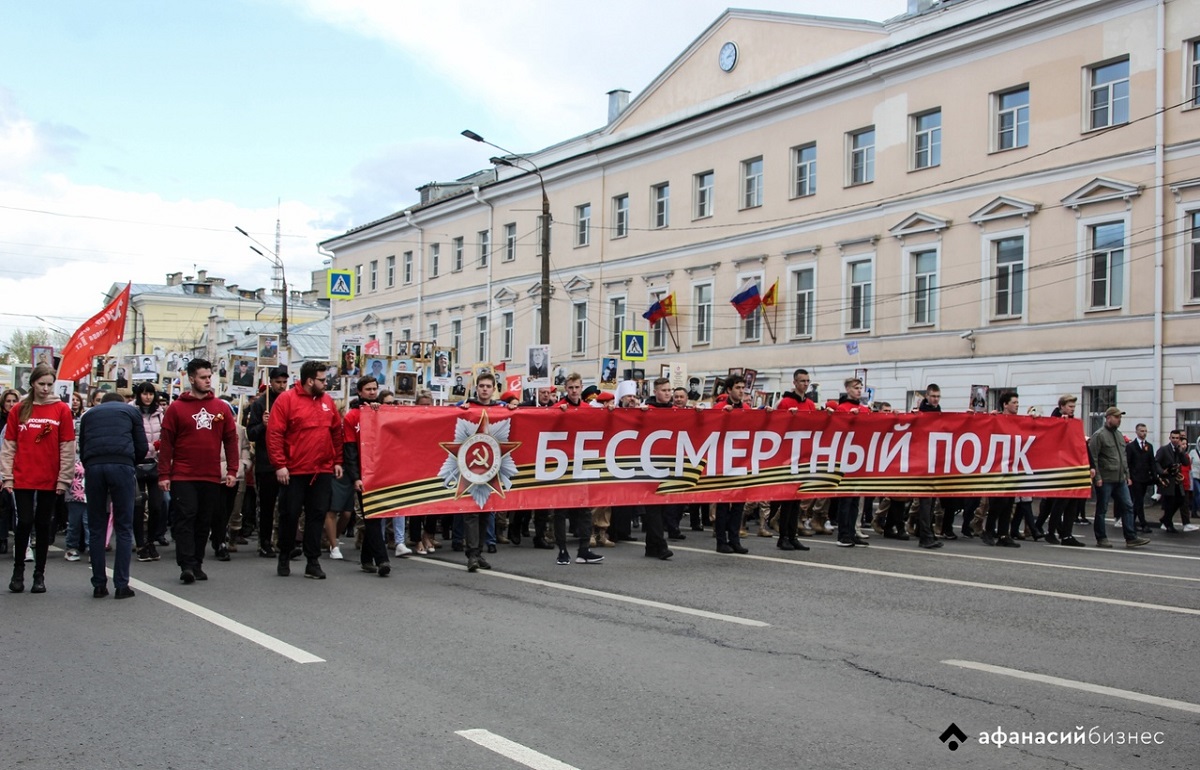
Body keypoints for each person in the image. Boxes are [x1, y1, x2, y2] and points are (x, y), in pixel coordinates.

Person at [158, 358, 239, 584]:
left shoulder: (221, 408)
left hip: (210, 474)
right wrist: (164, 474)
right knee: (186, 517)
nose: (208, 381)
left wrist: (232, 470)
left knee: (204, 520)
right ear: (192, 379)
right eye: (203, 377)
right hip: (183, 474)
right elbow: (166, 443)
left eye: (209, 377)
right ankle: (186, 564)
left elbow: (231, 440)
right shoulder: (176, 408)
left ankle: (197, 563)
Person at [267, 360, 344, 580]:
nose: (326, 383)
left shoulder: (327, 401)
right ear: (310, 380)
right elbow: (274, 434)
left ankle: (313, 561)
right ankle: (284, 555)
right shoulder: (286, 400)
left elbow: (335, 433)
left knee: (317, 515)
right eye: (322, 379)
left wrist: (337, 461)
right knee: (289, 515)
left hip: (322, 470)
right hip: (294, 470)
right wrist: (280, 465)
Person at [1, 365, 76, 594]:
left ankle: (39, 574)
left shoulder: (61, 409)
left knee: (43, 525)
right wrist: (7, 476)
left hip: (49, 478)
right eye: (41, 384)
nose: (45, 388)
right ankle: (18, 572)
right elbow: (9, 446)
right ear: (32, 383)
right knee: (24, 522)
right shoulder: (19, 409)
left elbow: (67, 447)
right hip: (22, 476)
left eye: (49, 384)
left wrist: (64, 479)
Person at [79, 392, 148, 599]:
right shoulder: (131, 411)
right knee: (124, 526)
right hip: (121, 465)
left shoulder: (89, 414)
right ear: (121, 402)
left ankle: (99, 584)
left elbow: (82, 445)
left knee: (97, 527)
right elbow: (142, 446)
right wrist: (130, 462)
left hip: (94, 466)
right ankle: (121, 585)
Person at [342, 375, 392, 576]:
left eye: (374, 389)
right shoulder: (351, 416)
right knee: (371, 516)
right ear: (360, 392)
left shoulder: (384, 412)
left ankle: (366, 558)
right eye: (368, 389)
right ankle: (382, 559)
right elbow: (350, 450)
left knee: (377, 515)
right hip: (364, 473)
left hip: (382, 471)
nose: (372, 392)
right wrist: (355, 477)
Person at [1088, 406, 1150, 548]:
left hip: (1120, 478)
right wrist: (1097, 477)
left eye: (1120, 417)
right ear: (1108, 418)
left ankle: (1131, 537)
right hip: (1106, 478)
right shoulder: (1099, 435)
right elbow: (1093, 458)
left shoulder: (1119, 435)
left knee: (1128, 506)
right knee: (1102, 509)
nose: (1119, 420)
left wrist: (1127, 475)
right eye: (1117, 417)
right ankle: (1101, 537)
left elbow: (1123, 457)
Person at [244, 366, 289, 558]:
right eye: (278, 382)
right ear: (271, 382)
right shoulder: (260, 404)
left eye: (284, 382)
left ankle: (284, 542)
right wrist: (263, 425)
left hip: (288, 461)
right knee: (267, 506)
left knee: (287, 505)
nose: (282, 386)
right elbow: (251, 433)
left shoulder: (290, 401)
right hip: (266, 462)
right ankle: (265, 542)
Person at [131, 382, 166, 562]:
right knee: (137, 506)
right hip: (136, 463)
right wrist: (150, 447)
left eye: (151, 394)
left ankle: (151, 541)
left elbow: (166, 436)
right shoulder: (131, 411)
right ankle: (140, 544)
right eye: (144, 394)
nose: (148, 397)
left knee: (156, 506)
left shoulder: (160, 414)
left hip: (155, 463)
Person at [1154, 429, 1188, 532]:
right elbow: (1156, 462)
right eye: (1173, 438)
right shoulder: (1164, 449)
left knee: (1180, 500)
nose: (1175, 440)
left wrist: (1181, 451)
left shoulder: (1179, 450)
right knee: (1169, 502)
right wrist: (1162, 471)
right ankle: (1169, 524)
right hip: (1167, 480)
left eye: (1177, 438)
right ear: (1170, 438)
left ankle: (1165, 519)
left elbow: (1185, 462)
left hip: (1177, 480)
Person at [1125, 423, 1155, 533]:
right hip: (1135, 478)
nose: (1144, 433)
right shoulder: (1131, 447)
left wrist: (1154, 476)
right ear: (1137, 432)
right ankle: (1143, 523)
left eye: (1145, 431)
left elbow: (1152, 462)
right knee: (1139, 501)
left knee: (1138, 501)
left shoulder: (1149, 446)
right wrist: (1128, 477)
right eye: (1142, 431)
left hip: (1145, 478)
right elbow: (1128, 463)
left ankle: (1131, 523)